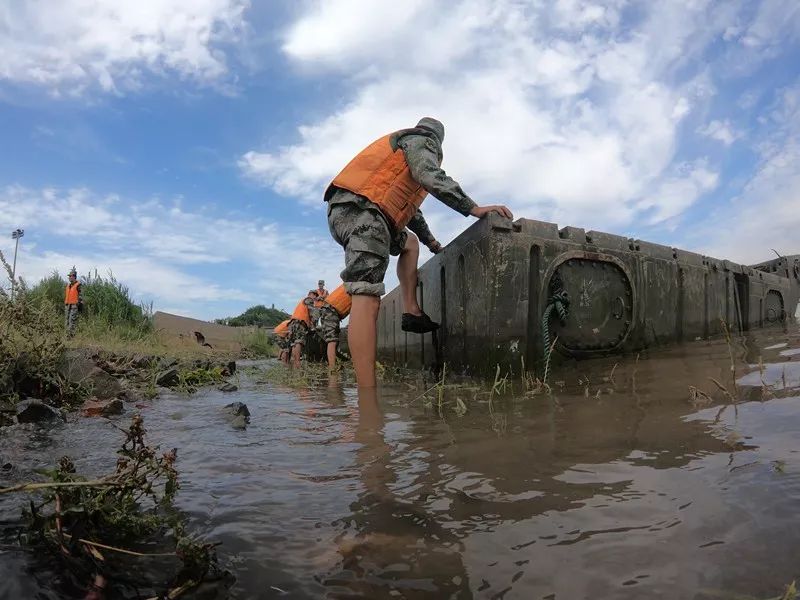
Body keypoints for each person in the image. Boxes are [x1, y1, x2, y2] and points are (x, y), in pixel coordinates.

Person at [325, 117, 513, 387]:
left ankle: (411, 310)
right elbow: (429, 174)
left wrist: (433, 244)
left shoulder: (404, 158)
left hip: (369, 212)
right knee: (366, 293)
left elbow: (413, 214)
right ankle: (368, 400)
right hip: (363, 210)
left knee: (409, 242)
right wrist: (474, 208)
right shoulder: (420, 141)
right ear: (436, 142)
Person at [319, 284, 352, 370]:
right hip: (330, 310)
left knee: (334, 340)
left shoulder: (355, 283)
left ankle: (334, 365)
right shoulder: (356, 284)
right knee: (332, 340)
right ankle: (332, 369)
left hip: (331, 311)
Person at [287, 291, 317, 368]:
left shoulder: (302, 303)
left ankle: (295, 363)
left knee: (294, 343)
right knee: (298, 342)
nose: (315, 297)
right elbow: (313, 312)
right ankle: (298, 363)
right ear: (310, 294)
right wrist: (314, 323)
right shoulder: (309, 299)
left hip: (293, 324)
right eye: (315, 295)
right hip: (299, 324)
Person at [64, 267, 82, 337]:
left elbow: (81, 296)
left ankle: (71, 337)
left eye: (70, 276)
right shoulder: (68, 286)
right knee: (66, 321)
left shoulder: (78, 285)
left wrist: (79, 304)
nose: (69, 278)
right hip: (67, 305)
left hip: (74, 306)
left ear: (74, 277)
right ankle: (66, 335)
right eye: (69, 276)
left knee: (72, 321)